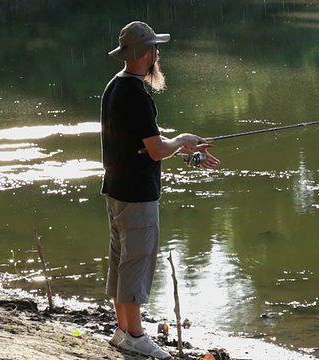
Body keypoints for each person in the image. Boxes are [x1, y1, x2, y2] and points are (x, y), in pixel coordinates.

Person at [100, 21, 220, 359]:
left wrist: (183, 149)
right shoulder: (136, 94)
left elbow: (146, 141)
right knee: (136, 262)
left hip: (117, 189)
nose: (158, 53)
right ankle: (136, 337)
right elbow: (155, 149)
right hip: (137, 194)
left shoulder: (117, 86)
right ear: (144, 52)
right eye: (154, 47)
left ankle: (123, 330)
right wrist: (181, 140)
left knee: (122, 260)